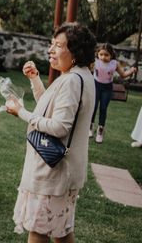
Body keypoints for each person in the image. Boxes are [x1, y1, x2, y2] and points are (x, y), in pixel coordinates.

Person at [6, 22, 96, 243]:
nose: (51, 50)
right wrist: (35, 80)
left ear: (75, 52)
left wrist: (21, 113)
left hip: (53, 173)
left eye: (58, 45)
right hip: (64, 173)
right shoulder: (80, 76)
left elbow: (59, 126)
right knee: (61, 232)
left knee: (38, 232)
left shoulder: (72, 81)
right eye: (52, 44)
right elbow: (51, 109)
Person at [90, 43, 137, 143]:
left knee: (103, 108)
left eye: (106, 55)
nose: (103, 57)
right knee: (93, 106)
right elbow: (86, 69)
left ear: (111, 55)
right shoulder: (95, 62)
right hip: (96, 85)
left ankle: (100, 131)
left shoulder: (114, 64)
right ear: (98, 54)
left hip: (107, 88)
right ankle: (90, 127)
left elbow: (123, 75)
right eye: (101, 54)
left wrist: (131, 70)